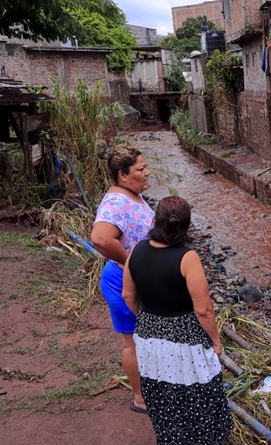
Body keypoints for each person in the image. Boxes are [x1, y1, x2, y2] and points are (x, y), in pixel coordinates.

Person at [122, 196, 232, 444]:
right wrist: (216, 341)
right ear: (186, 225)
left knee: (161, 388)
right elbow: (203, 310)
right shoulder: (187, 257)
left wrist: (148, 317)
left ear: (156, 220)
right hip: (185, 336)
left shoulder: (137, 250)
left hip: (149, 332)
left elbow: (128, 295)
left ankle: (172, 438)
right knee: (197, 389)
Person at [90, 143, 154, 414]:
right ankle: (141, 398)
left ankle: (155, 386)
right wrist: (131, 263)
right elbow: (101, 238)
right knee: (132, 342)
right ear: (123, 175)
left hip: (139, 279)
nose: (147, 173)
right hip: (122, 281)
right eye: (141, 169)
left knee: (147, 337)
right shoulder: (116, 202)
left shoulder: (132, 195)